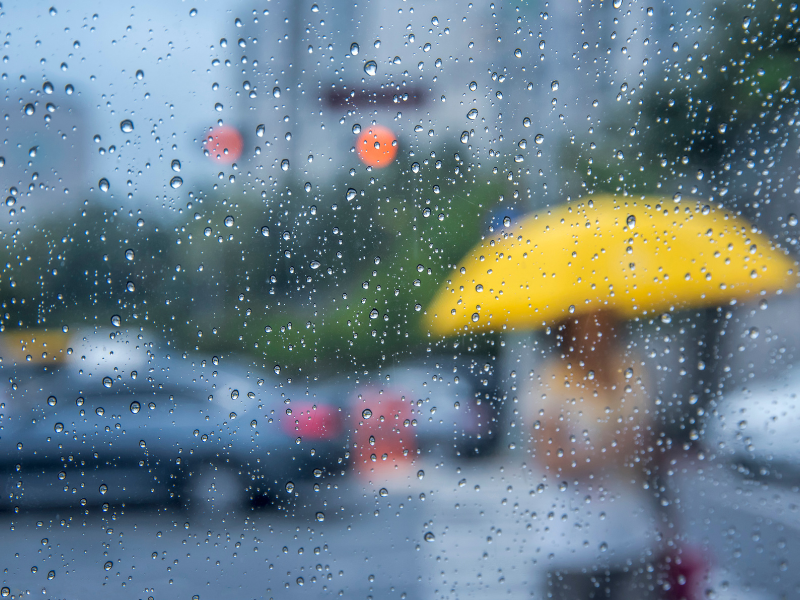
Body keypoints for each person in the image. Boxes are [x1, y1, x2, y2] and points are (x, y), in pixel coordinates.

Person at [527, 311, 663, 599]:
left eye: (604, 322)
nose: (596, 332)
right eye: (586, 324)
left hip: (633, 530)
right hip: (571, 538)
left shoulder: (631, 369)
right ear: (568, 329)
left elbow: (646, 445)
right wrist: (612, 451)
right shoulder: (553, 378)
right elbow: (550, 459)